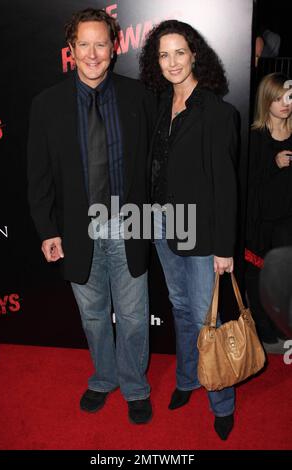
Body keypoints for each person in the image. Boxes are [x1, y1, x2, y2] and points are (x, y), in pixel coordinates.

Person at [27, 8, 156, 424]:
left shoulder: (139, 97)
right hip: (77, 230)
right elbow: (39, 175)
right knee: (94, 314)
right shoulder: (47, 104)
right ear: (71, 49)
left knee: (135, 315)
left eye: (101, 43)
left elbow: (157, 164)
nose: (93, 53)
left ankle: (135, 386)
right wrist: (47, 229)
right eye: (84, 44)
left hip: (129, 224)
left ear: (114, 48)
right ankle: (103, 378)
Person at [140, 20, 238, 440]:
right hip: (163, 222)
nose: (172, 62)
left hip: (201, 230)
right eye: (164, 54)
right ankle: (187, 379)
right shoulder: (162, 102)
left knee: (206, 317)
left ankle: (222, 401)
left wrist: (224, 247)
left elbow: (225, 185)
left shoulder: (216, 112)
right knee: (180, 307)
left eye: (179, 52)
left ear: (195, 54)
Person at [246, 72, 292, 349]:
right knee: (257, 276)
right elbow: (248, 183)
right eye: (277, 98)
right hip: (261, 220)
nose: (284, 103)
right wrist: (273, 164)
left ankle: (281, 325)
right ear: (267, 101)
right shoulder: (255, 137)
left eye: (288, 97)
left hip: (287, 220)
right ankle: (262, 326)